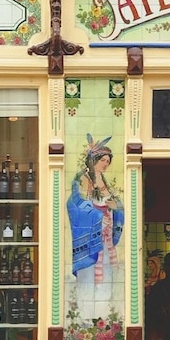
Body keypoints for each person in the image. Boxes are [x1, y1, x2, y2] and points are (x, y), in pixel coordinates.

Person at [67, 134, 125, 321]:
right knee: (88, 276)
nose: (106, 164)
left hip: (105, 237)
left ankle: (102, 317)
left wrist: (117, 207)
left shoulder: (105, 182)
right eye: (103, 160)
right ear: (94, 160)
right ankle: (85, 317)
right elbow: (76, 203)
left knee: (105, 275)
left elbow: (115, 203)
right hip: (91, 235)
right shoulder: (83, 179)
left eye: (108, 161)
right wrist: (98, 214)